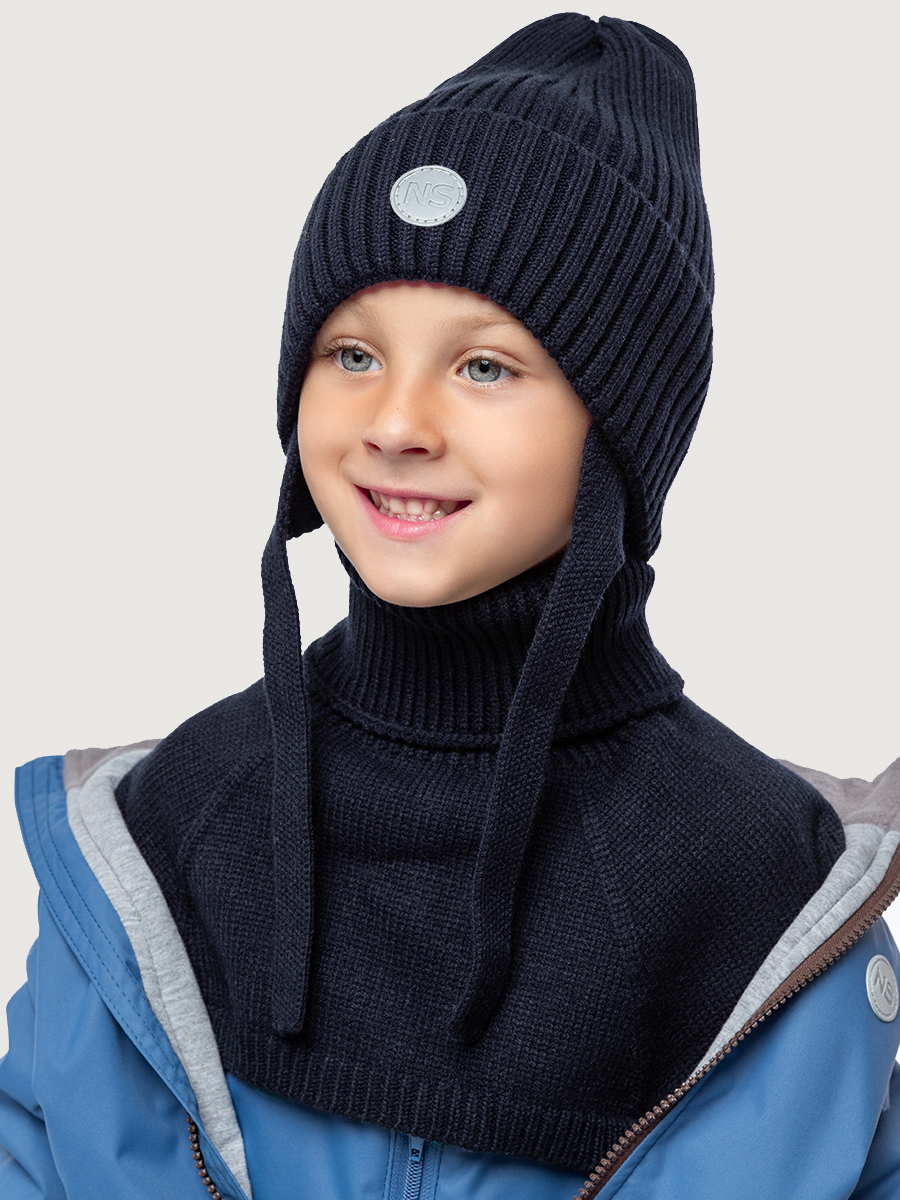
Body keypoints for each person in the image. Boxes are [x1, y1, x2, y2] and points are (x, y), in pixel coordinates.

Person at [2, 13, 899, 1199]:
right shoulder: (161, 832)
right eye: (352, 354)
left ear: (624, 432)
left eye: (485, 366)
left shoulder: (765, 888)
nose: (395, 422)